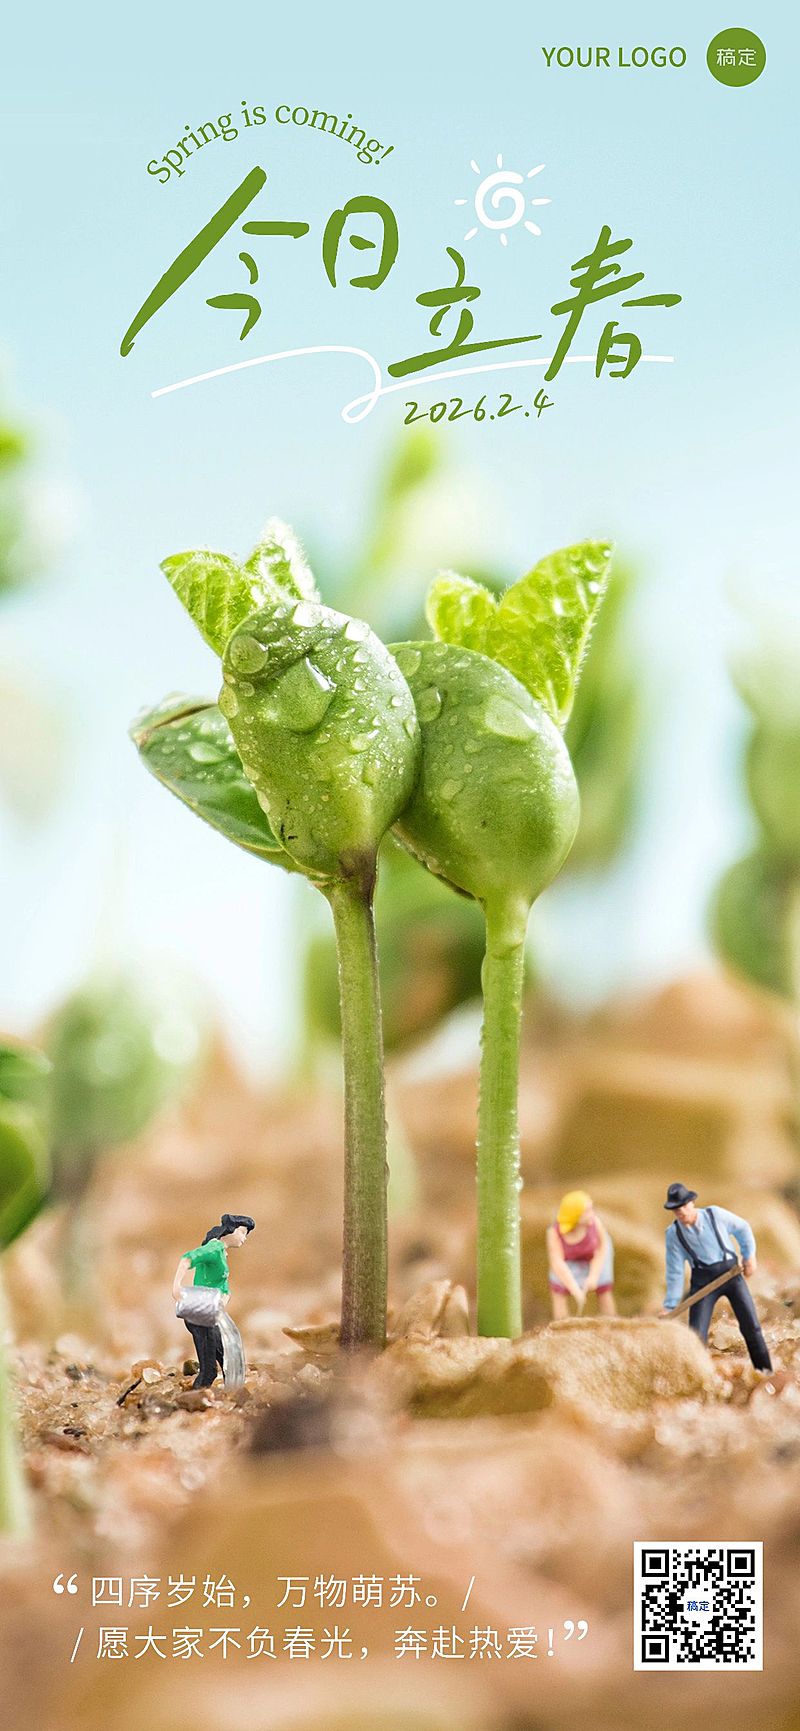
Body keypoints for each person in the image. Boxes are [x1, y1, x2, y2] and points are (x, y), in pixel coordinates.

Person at [659, 1182, 772, 1371]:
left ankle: (765, 1371)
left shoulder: (715, 1215)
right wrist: (670, 1305)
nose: (682, 1213)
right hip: (702, 1283)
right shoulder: (673, 1234)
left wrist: (749, 1255)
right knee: (696, 1336)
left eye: (684, 1206)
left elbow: (742, 1228)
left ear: (692, 1203)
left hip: (731, 1275)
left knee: (751, 1327)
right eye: (677, 1210)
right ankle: (699, 1377)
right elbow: (675, 1270)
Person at [172, 1213, 255, 1388]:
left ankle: (233, 1392)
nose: (244, 1238)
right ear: (231, 1230)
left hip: (212, 1311)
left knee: (226, 1354)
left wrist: (224, 1298)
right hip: (200, 1312)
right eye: (242, 1232)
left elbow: (223, 1286)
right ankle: (196, 1397)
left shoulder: (222, 1253)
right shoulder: (214, 1249)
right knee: (209, 1369)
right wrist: (176, 1287)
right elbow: (187, 1258)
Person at [546, 1190, 616, 1319]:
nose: (592, 1214)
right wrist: (575, 1290)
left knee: (603, 1288)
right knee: (558, 1288)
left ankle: (612, 1321)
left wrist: (593, 1276)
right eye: (587, 1211)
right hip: (568, 1258)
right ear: (576, 1216)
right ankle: (560, 1324)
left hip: (595, 1254)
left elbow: (600, 1250)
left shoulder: (595, 1223)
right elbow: (557, 1263)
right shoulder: (554, 1232)